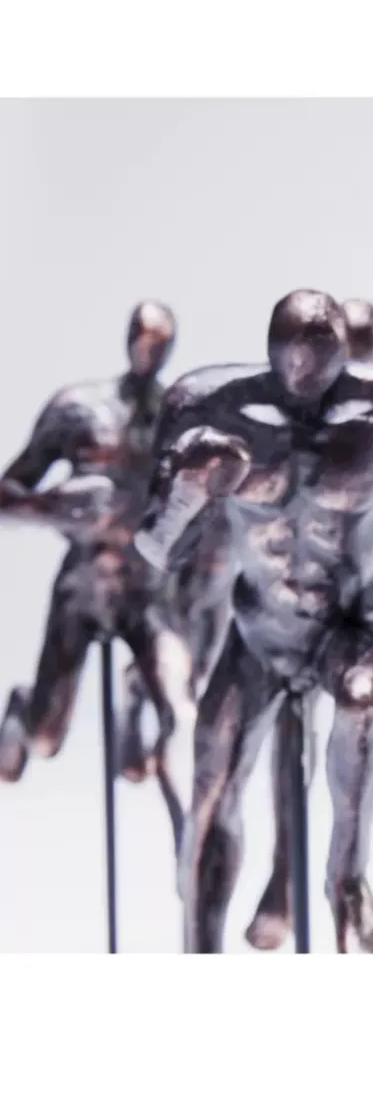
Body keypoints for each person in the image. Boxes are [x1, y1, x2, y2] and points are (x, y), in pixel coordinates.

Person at [135, 288, 373, 952]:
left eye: (321, 365)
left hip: (346, 626)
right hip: (258, 634)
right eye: (292, 366)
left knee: (367, 692)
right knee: (212, 793)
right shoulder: (209, 405)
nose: (305, 382)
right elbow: (159, 548)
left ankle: (347, 882)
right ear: (272, 356)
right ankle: (199, 948)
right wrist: (190, 491)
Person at [0, 301, 197, 853]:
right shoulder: (79, 408)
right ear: (128, 338)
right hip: (83, 588)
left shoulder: (182, 418)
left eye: (161, 342)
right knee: (46, 738)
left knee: (183, 710)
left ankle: (191, 845)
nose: (150, 351)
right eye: (143, 337)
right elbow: (8, 493)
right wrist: (51, 506)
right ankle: (24, 712)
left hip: (148, 591)